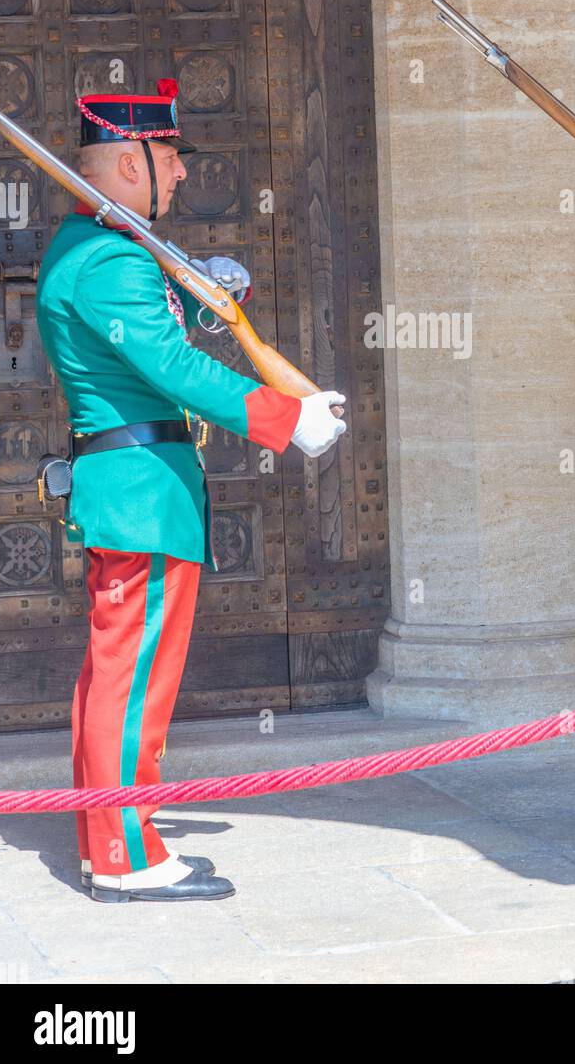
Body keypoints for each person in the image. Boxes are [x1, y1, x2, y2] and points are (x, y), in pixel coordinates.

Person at [35, 80, 346, 901]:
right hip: (140, 490)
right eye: (168, 157)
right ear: (126, 162)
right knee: (132, 678)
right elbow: (168, 368)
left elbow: (152, 342)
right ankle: (125, 860)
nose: (178, 174)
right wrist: (287, 418)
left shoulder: (105, 247)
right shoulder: (108, 259)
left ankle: (117, 833)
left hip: (138, 484)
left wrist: (199, 294)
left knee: (121, 675)